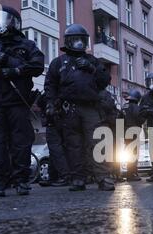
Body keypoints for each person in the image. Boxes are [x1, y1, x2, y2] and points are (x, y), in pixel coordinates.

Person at [0, 6, 45, 197]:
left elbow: (37, 65)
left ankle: (21, 180)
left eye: (2, 18)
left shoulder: (26, 45)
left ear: (13, 21)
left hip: (17, 100)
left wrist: (14, 68)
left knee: (21, 142)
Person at [44, 24, 115, 192]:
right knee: (73, 144)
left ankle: (103, 177)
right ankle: (78, 178)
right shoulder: (59, 62)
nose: (78, 44)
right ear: (68, 42)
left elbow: (105, 80)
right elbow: (50, 85)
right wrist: (51, 104)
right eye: (75, 40)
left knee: (97, 142)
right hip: (69, 109)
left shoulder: (92, 61)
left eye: (81, 40)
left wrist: (92, 69)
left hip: (91, 108)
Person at [120, 89, 144, 182]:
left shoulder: (124, 107)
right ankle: (132, 173)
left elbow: (119, 119)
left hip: (125, 133)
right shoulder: (137, 108)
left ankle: (130, 172)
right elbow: (140, 120)